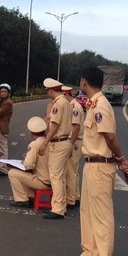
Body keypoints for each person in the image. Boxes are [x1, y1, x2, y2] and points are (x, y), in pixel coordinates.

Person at [65, 67, 128, 256]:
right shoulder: (94, 104)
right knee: (86, 211)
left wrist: (121, 159)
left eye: (80, 81)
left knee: (102, 215)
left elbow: (109, 137)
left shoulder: (101, 105)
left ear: (84, 81)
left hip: (102, 166)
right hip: (91, 164)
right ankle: (90, 253)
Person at [38, 78, 73, 220]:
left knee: (55, 176)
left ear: (51, 90)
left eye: (47, 91)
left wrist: (45, 142)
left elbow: (54, 125)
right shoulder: (66, 102)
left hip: (58, 143)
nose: (47, 93)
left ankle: (57, 209)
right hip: (65, 142)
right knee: (61, 176)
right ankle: (61, 206)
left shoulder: (58, 104)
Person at [7, 116, 51, 207]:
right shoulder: (48, 142)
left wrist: (23, 161)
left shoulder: (34, 144)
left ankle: (22, 199)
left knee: (12, 173)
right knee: (26, 174)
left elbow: (28, 165)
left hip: (42, 181)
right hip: (51, 179)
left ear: (32, 133)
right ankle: (30, 196)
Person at [62, 85, 84, 209]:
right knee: (73, 171)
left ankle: (70, 199)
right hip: (75, 141)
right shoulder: (73, 105)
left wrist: (70, 144)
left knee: (70, 171)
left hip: (74, 141)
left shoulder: (74, 107)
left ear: (66, 95)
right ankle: (75, 196)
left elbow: (75, 128)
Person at [0, 83, 13, 175]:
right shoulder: (2, 101)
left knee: (2, 149)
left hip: (1, 127)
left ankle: (3, 169)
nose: (3, 93)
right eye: (1, 91)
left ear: (8, 93)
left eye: (5, 91)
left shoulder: (8, 103)